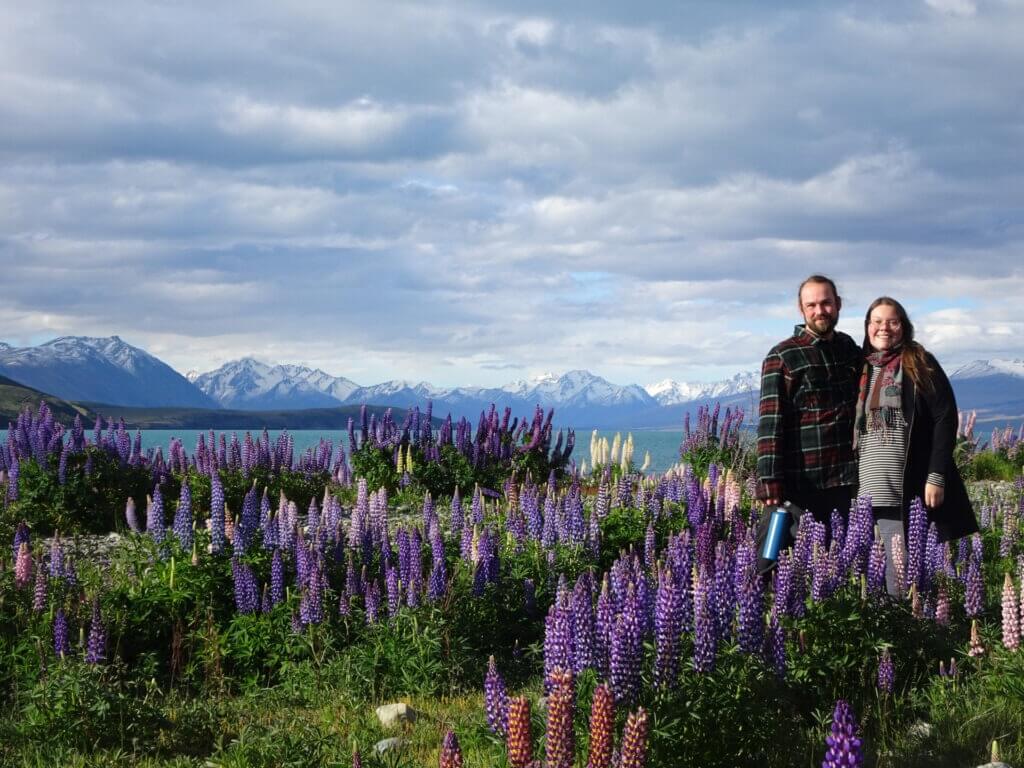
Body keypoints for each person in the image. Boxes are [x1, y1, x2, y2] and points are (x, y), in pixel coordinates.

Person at [855, 296, 978, 595]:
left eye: (892, 322)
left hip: (907, 486)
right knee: (871, 577)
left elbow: (945, 417)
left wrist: (936, 474)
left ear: (904, 327)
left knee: (902, 577)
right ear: (867, 328)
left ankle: (911, 634)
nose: (884, 328)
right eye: (877, 322)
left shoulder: (918, 362)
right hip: (865, 490)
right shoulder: (860, 369)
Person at [757, 275, 863, 526]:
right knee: (779, 559)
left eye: (826, 303)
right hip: (801, 483)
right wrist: (769, 479)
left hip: (845, 478)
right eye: (811, 305)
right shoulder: (782, 355)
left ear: (838, 304)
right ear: (801, 308)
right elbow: (770, 424)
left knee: (837, 560)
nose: (819, 311)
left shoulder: (849, 348)